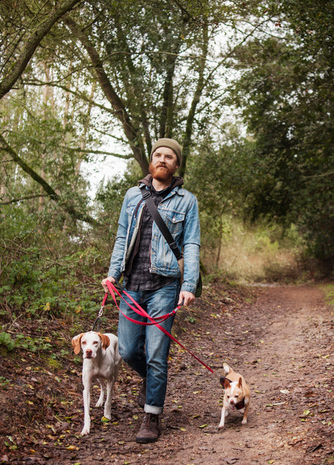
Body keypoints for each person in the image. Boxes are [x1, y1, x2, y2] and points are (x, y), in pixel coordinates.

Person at [102, 138, 200, 444]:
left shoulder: (187, 201)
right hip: (131, 286)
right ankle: (151, 380)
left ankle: (151, 416)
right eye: (158, 155)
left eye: (169, 156)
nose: (162, 159)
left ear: (176, 165)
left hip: (165, 286)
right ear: (151, 161)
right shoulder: (133, 195)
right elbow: (121, 237)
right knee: (128, 350)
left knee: (158, 354)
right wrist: (112, 273)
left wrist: (189, 285)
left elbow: (192, 245)